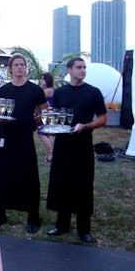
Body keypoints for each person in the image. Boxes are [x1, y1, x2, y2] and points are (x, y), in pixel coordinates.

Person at [46, 57, 107, 243]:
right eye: (79, 67)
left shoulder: (93, 92)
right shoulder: (60, 92)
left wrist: (86, 126)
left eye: (84, 67)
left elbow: (103, 118)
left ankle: (83, 229)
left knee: (83, 185)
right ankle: (61, 224)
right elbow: (54, 117)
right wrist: (50, 125)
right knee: (62, 183)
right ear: (69, 70)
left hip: (83, 145)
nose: (83, 70)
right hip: (63, 145)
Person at [0, 54, 49, 234]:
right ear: (10, 68)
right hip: (6, 138)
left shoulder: (35, 90)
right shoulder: (3, 90)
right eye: (16, 65)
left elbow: (46, 112)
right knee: (2, 176)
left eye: (22, 65)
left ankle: (33, 217)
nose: (20, 67)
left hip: (25, 139)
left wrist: (35, 121)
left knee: (29, 177)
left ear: (26, 68)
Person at [37, 72, 55, 162]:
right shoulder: (48, 89)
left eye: (43, 79)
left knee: (41, 133)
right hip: (45, 113)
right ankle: (50, 152)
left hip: (46, 114)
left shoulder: (48, 90)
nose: (41, 81)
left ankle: (50, 152)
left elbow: (37, 96)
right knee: (47, 134)